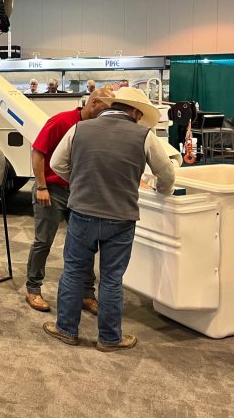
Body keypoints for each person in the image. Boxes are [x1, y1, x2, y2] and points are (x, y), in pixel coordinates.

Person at [44, 87, 176, 352]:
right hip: (121, 217)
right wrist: (163, 191)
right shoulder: (145, 136)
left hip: (82, 214)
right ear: (135, 111)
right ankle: (109, 338)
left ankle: (66, 329)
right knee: (112, 279)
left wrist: (79, 182)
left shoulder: (79, 129)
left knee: (73, 272)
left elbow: (56, 164)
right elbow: (167, 174)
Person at [25, 88, 115, 314]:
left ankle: (87, 294)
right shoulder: (61, 122)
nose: (107, 115)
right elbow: (38, 152)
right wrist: (42, 186)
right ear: (93, 103)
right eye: (105, 109)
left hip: (79, 192)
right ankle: (33, 288)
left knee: (85, 244)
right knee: (43, 241)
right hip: (52, 190)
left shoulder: (97, 128)